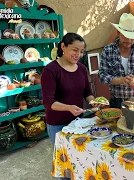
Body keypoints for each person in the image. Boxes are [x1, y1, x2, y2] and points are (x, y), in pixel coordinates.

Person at [41, 33, 98, 180]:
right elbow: (48, 101)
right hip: (57, 125)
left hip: (78, 123)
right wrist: (68, 107)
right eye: (75, 50)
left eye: (81, 51)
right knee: (65, 166)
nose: (78, 54)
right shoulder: (51, 70)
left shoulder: (81, 69)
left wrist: (94, 102)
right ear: (63, 47)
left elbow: (87, 93)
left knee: (79, 161)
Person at [99, 13, 134, 108]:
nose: (128, 40)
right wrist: (121, 80)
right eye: (125, 36)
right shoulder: (108, 51)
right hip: (116, 100)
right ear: (118, 32)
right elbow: (102, 76)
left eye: (131, 37)